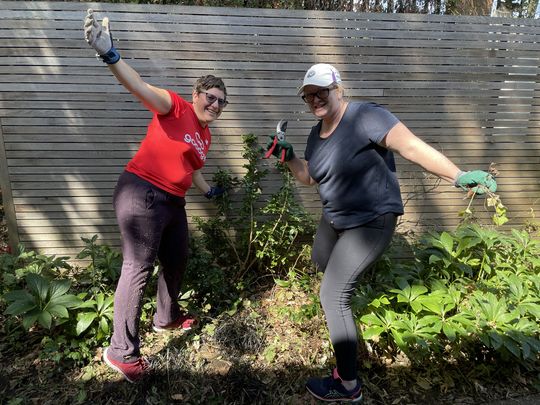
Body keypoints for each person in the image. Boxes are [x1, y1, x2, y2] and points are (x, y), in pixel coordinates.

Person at [266, 63, 496, 402]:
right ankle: (344, 314)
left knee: (331, 296)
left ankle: (347, 385)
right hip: (335, 219)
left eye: (321, 92)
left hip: (370, 222)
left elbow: (412, 147)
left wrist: (458, 175)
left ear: (338, 89)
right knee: (320, 262)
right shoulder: (316, 134)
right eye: (309, 95)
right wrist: (289, 158)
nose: (316, 99)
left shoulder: (365, 116)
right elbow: (311, 177)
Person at [83, 9, 227, 383]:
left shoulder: (205, 136)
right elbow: (139, 86)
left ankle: (166, 317)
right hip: (142, 191)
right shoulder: (175, 106)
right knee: (138, 267)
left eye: (221, 102)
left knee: (177, 257)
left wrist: (209, 189)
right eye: (211, 97)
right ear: (197, 95)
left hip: (173, 202)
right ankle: (120, 352)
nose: (215, 104)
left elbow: (193, 170)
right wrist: (110, 55)